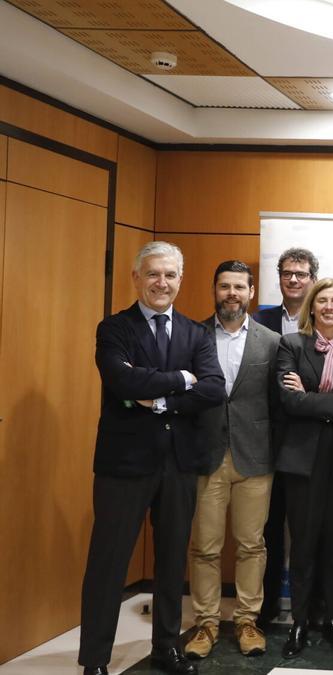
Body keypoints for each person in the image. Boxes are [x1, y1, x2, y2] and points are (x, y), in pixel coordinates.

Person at [79, 241, 225, 675]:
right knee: (108, 563)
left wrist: (160, 400)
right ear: (136, 277)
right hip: (124, 465)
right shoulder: (115, 329)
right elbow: (122, 382)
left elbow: (213, 389)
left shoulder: (197, 334)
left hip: (179, 463)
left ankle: (166, 648)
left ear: (181, 279)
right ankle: (95, 660)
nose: (162, 283)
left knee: (172, 562)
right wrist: (181, 378)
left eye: (170, 275)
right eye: (153, 274)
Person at [184, 261, 281, 660]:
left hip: (255, 460)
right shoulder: (192, 335)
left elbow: (278, 402)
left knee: (251, 545)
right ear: (214, 289)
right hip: (206, 457)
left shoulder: (271, 341)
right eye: (224, 286)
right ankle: (205, 623)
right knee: (204, 547)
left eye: (239, 287)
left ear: (251, 292)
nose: (231, 294)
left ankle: (246, 621)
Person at [274, 278, 333, 659]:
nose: (329, 306)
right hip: (302, 460)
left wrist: (313, 398)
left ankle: (330, 616)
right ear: (312, 307)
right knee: (303, 542)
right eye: (323, 300)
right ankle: (299, 620)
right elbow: (290, 402)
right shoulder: (292, 345)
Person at [255, 246, 320, 626]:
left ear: (313, 279)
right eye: (286, 273)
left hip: (310, 441)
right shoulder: (259, 320)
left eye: (301, 274)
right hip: (266, 440)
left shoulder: (323, 320)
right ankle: (266, 607)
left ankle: (307, 610)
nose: (293, 280)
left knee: (307, 530)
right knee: (268, 528)